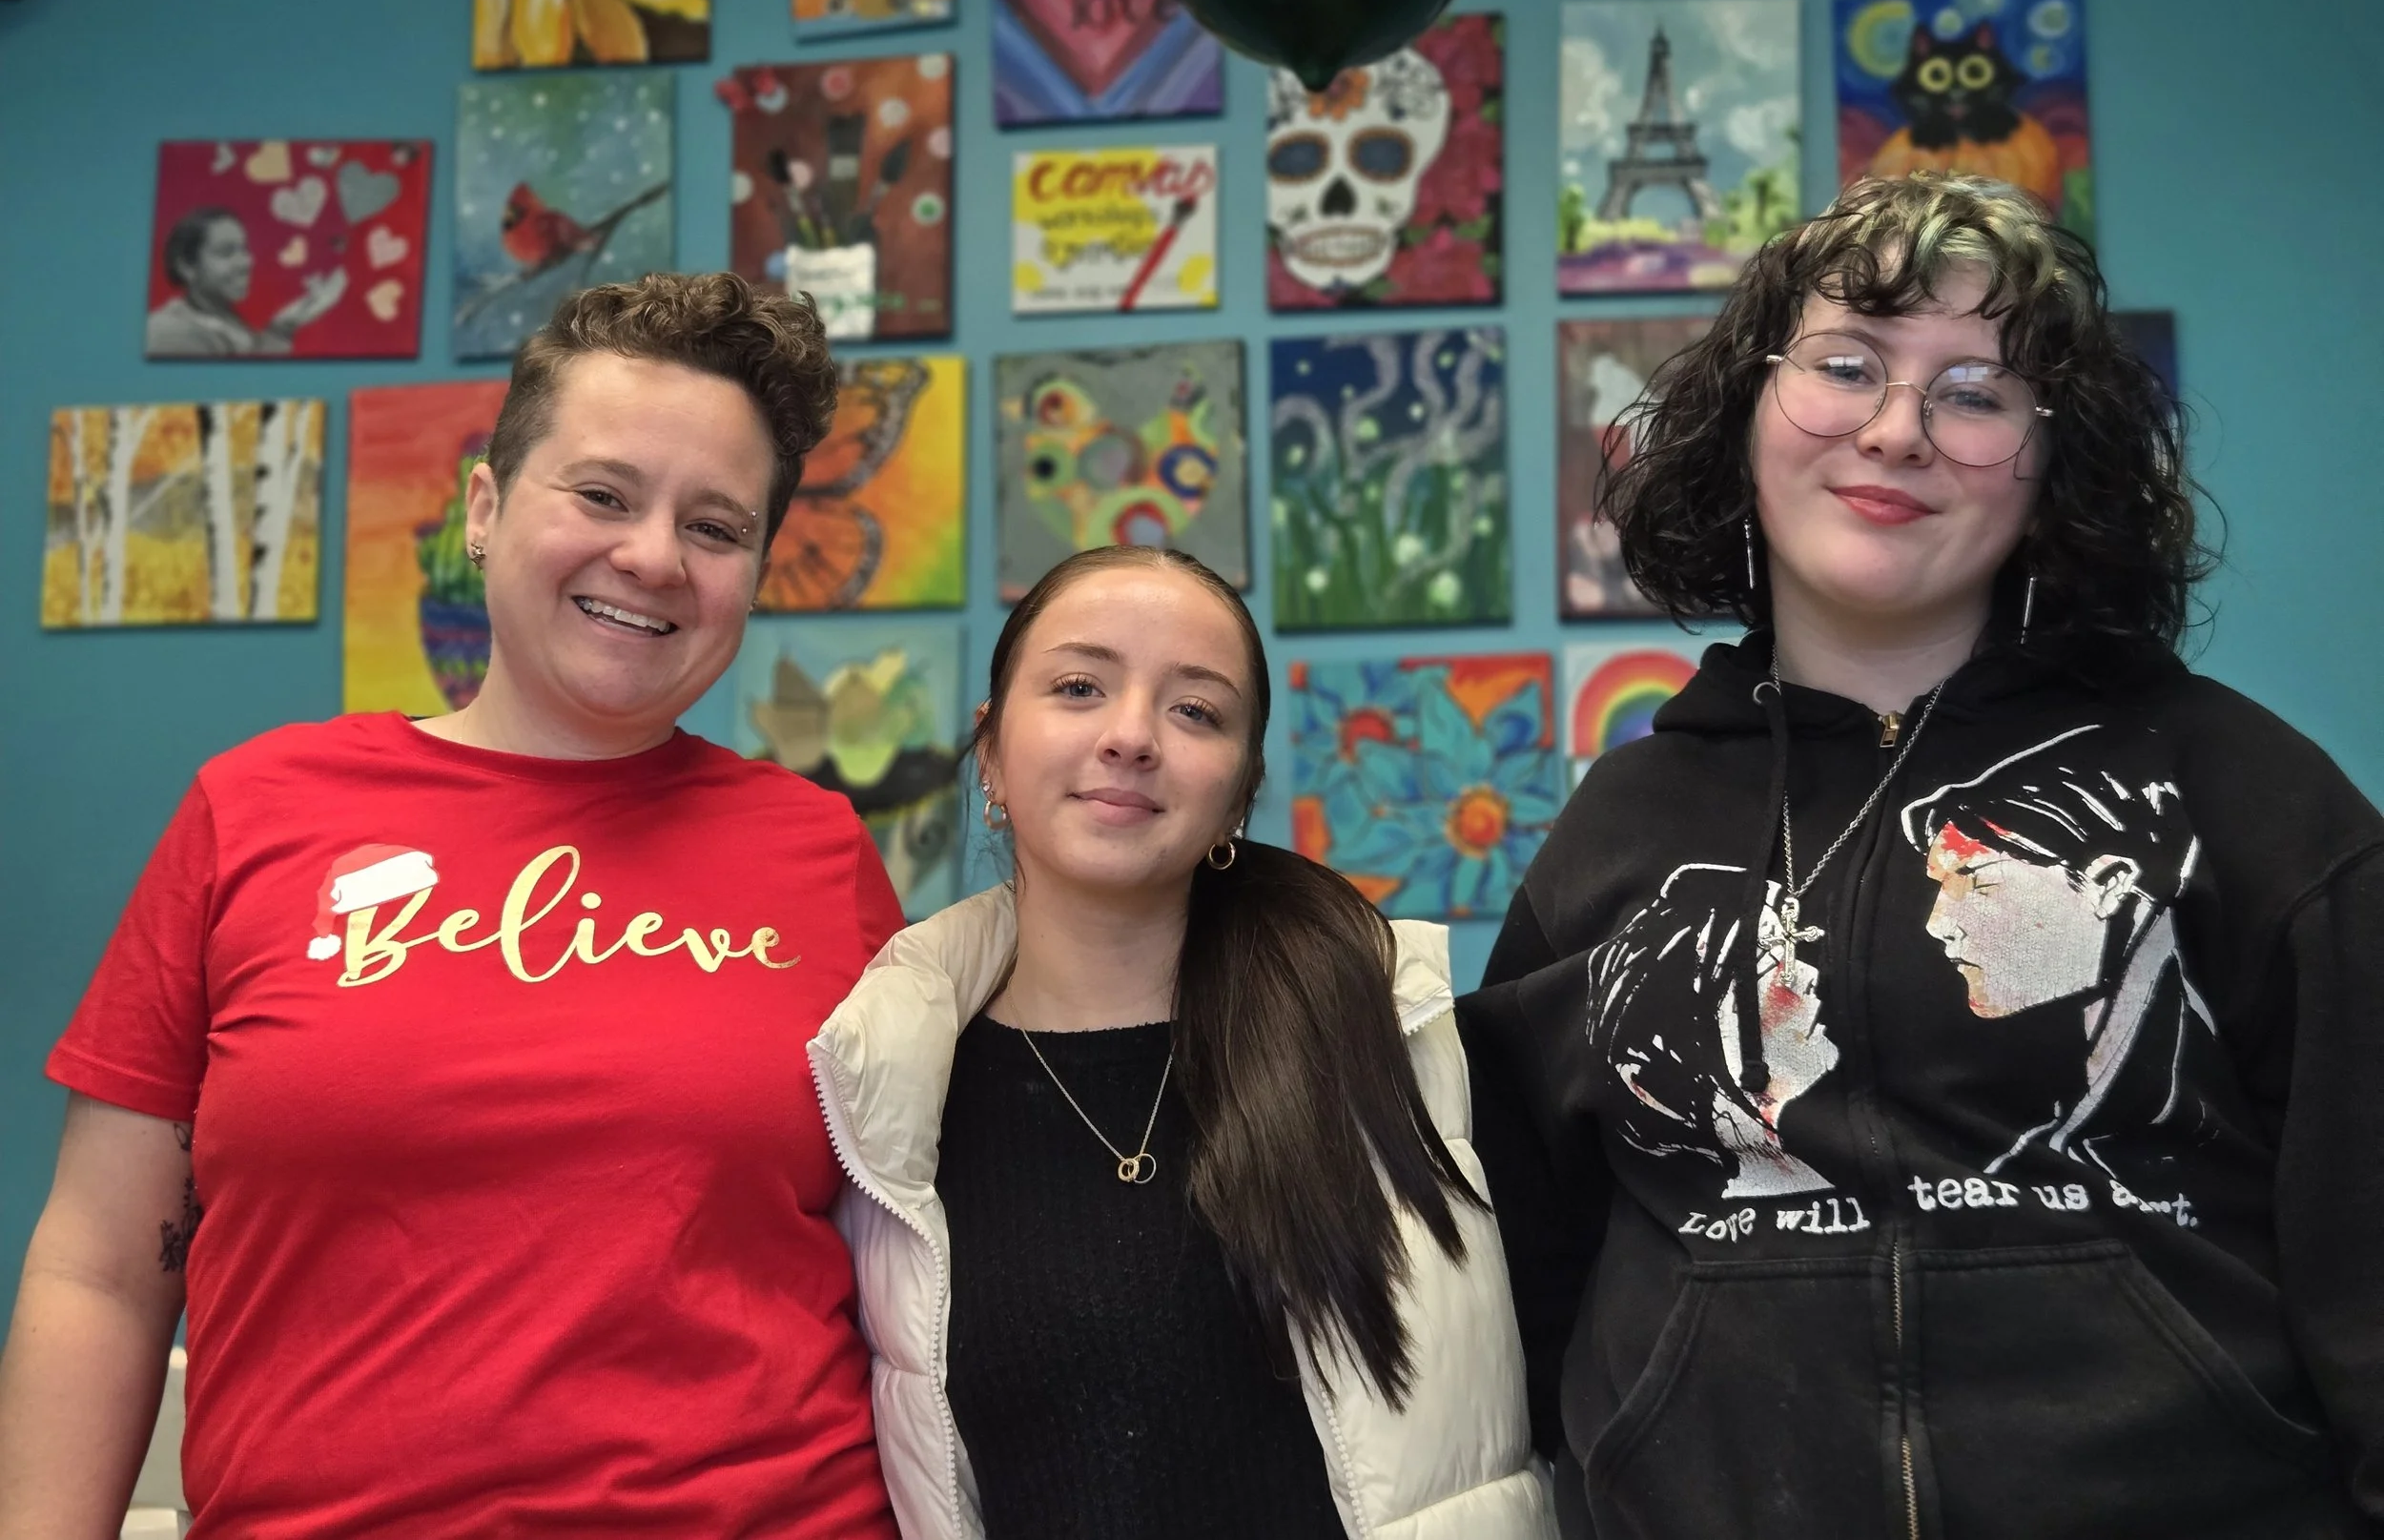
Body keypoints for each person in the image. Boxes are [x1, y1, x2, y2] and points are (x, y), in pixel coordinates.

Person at [1458, 174, 2384, 1538]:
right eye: (1846, 366)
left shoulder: (2239, 792)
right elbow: (1514, 1277)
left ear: (2053, 465)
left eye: (1976, 392)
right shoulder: (1623, 825)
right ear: (1748, 413)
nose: (1896, 430)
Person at [0, 273, 906, 1538]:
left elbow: (923, 1271)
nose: (652, 556)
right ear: (484, 508)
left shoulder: (818, 854)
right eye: (602, 494)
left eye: (715, 526)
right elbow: (100, 1270)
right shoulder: (254, 810)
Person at [811, 544, 1553, 1540]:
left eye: (1195, 710)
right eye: (1079, 687)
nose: (1131, 736)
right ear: (990, 751)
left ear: (1240, 793)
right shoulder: (890, 1093)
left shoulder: (1396, 1036)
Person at [144, 206, 348, 357]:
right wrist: (280, 332)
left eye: (244, 250)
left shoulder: (219, 316)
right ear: (187, 267)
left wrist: (283, 327)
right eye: (226, 252)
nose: (246, 262)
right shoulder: (169, 332)